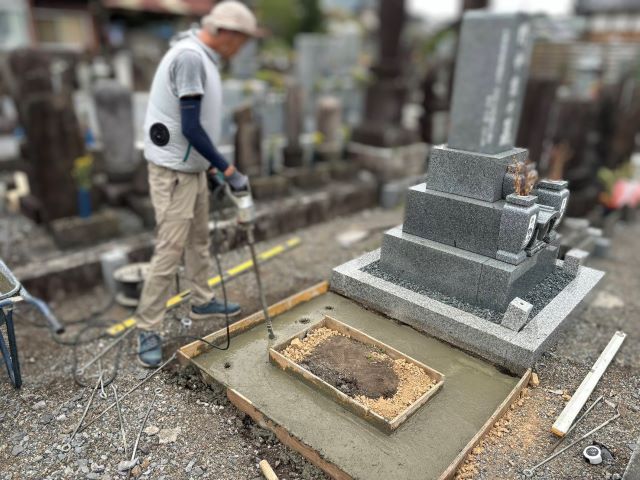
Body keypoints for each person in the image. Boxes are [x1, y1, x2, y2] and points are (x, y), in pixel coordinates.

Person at [135, 1, 262, 367]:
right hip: (174, 171)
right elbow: (190, 127)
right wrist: (228, 169)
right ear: (224, 32)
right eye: (239, 41)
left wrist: (207, 166)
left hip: (190, 167)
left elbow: (191, 122)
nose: (239, 49)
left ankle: (201, 297)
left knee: (199, 237)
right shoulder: (190, 57)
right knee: (170, 248)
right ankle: (147, 328)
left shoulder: (202, 54)